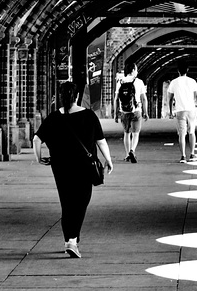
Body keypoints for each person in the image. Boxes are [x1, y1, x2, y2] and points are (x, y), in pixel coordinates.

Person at [33, 80, 114, 259]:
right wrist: (108, 160)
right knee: (81, 203)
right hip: (84, 167)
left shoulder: (54, 117)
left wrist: (39, 158)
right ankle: (72, 240)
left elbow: (36, 139)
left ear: (59, 98)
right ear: (77, 96)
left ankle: (69, 239)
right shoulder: (89, 116)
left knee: (67, 202)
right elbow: (100, 141)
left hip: (60, 167)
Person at [114, 65, 148, 163]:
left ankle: (127, 154)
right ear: (133, 70)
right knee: (136, 133)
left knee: (126, 133)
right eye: (136, 69)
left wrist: (116, 113)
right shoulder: (139, 82)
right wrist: (145, 112)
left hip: (124, 111)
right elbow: (144, 99)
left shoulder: (120, 81)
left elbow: (116, 99)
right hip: (136, 110)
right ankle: (132, 150)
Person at [167, 63, 197, 163]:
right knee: (191, 132)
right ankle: (192, 154)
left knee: (182, 134)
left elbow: (170, 98)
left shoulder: (174, 82)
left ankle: (183, 156)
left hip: (180, 111)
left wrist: (170, 111)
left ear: (178, 71)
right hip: (191, 110)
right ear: (187, 70)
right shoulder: (192, 81)